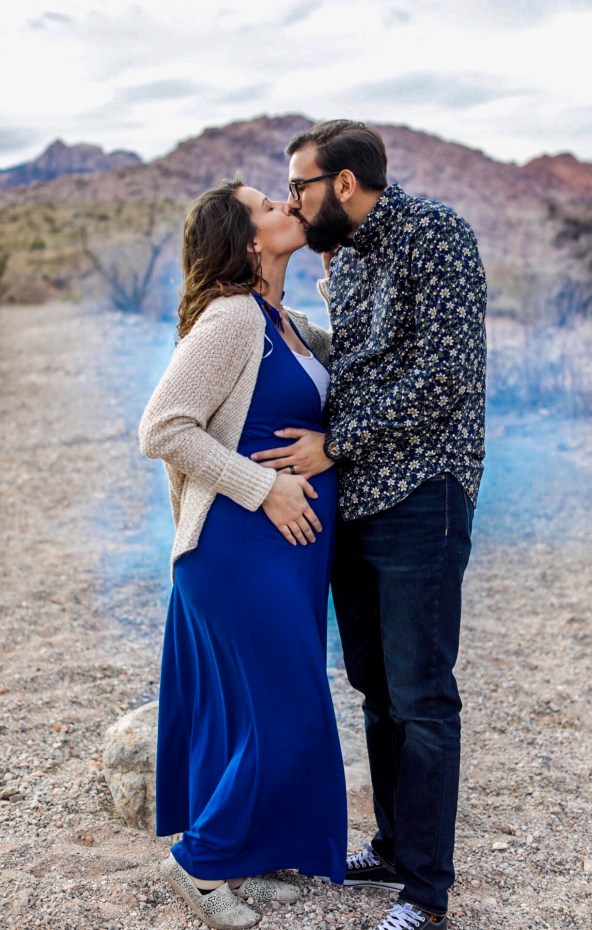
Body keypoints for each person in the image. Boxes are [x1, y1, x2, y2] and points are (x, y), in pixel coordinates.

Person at [251, 120, 486, 930]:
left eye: (299, 185)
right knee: (376, 689)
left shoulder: (437, 234)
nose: (292, 201)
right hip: (356, 500)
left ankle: (426, 895)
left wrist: (335, 443)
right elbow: (354, 365)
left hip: (424, 492)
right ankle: (392, 847)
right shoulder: (342, 259)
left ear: (344, 183)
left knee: (422, 695)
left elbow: (443, 375)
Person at [138, 177, 347, 930]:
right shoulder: (231, 317)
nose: (286, 206)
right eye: (267, 205)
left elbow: (355, 387)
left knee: (257, 710)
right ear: (248, 240)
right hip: (238, 549)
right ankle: (199, 862)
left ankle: (248, 851)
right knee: (288, 711)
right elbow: (162, 427)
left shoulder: (286, 321)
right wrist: (264, 488)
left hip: (287, 555)